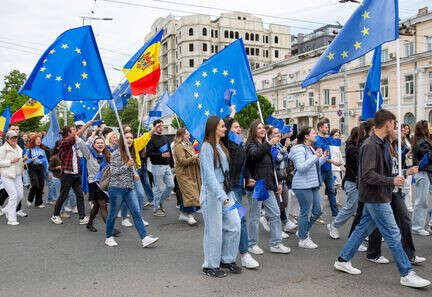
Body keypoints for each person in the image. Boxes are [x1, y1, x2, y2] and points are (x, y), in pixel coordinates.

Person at [333, 109, 430, 289]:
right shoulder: (370, 145)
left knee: (362, 230)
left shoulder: (383, 144)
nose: (396, 127)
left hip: (379, 194)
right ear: (388, 124)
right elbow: (368, 175)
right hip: (375, 196)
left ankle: (343, 259)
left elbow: (384, 172)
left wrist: (404, 173)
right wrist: (391, 180)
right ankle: (406, 273)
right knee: (393, 234)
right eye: (394, 123)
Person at [366, 126, 426, 265]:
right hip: (382, 192)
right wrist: (404, 173)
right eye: (396, 129)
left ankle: (410, 254)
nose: (400, 132)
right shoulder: (381, 147)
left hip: (394, 192)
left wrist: (406, 171)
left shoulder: (395, 147)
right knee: (374, 222)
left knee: (405, 220)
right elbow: (381, 173)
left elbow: (395, 171)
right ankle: (373, 253)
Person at [200, 116, 241, 277]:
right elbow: (209, 176)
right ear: (213, 128)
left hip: (227, 193)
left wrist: (229, 195)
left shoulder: (221, 146)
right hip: (213, 196)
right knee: (214, 230)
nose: (225, 128)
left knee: (236, 223)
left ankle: (227, 259)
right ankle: (210, 265)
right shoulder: (206, 147)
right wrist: (221, 195)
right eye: (223, 126)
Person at [104, 131, 159, 248]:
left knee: (136, 213)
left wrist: (133, 174)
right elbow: (113, 172)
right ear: (121, 141)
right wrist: (127, 166)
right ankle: (109, 237)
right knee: (113, 214)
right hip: (116, 188)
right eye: (127, 138)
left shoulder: (131, 153)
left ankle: (144, 238)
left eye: (131, 138)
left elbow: (128, 169)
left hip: (129, 188)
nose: (129, 139)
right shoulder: (116, 154)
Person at [246, 120, 291, 255]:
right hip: (258, 185)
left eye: (262, 127)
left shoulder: (265, 144)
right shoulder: (251, 144)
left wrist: (276, 182)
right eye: (258, 128)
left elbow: (271, 165)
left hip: (269, 184)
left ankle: (276, 243)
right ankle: (251, 244)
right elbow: (255, 156)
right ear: (253, 130)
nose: (262, 130)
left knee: (275, 213)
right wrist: (268, 144)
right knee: (254, 216)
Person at [222, 105, 259, 269]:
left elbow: (243, 165)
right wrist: (231, 115)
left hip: (238, 187)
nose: (239, 129)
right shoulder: (227, 143)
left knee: (236, 220)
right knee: (240, 219)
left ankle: (233, 254)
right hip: (228, 189)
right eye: (235, 127)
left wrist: (248, 178)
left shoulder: (239, 144)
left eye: (239, 127)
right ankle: (244, 254)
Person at [75, 122, 119, 235]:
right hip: (94, 183)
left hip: (104, 183)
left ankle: (89, 224)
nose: (100, 144)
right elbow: (79, 140)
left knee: (96, 205)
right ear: (93, 145)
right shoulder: (88, 154)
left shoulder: (107, 155)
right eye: (97, 143)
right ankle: (110, 228)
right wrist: (87, 126)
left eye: (102, 143)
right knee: (103, 205)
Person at [288, 126, 327, 249]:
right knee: (305, 212)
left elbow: (313, 166)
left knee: (318, 211)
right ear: (306, 136)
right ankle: (303, 239)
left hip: (313, 184)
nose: (315, 134)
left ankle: (302, 231)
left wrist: (323, 158)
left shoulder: (310, 147)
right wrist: (315, 156)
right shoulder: (299, 149)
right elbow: (301, 167)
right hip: (303, 185)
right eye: (313, 133)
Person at [50, 126, 88, 225]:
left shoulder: (73, 143)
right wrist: (86, 126)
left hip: (75, 174)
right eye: (73, 130)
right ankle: (55, 215)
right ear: (68, 133)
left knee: (80, 196)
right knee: (63, 195)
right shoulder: (64, 142)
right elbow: (75, 137)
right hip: (67, 174)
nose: (75, 131)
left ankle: (82, 217)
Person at [327, 127, 360, 240]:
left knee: (365, 210)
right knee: (351, 208)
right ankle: (334, 225)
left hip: (359, 181)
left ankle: (365, 234)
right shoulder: (352, 148)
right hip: (352, 181)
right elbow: (356, 166)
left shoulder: (358, 147)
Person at [268, 126, 293, 238]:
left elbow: (286, 158)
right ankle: (277, 227)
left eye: (279, 133)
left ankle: (268, 219)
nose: (278, 135)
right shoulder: (270, 146)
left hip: (283, 177)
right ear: (270, 136)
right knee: (277, 204)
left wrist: (286, 147)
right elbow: (277, 159)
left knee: (285, 202)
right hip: (276, 178)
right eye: (275, 133)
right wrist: (285, 147)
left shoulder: (278, 145)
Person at [146, 120, 174, 216]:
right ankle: (156, 208)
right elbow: (148, 153)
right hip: (157, 166)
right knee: (158, 188)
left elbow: (169, 152)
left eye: (162, 126)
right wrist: (161, 155)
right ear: (154, 127)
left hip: (167, 166)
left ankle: (159, 202)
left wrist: (172, 164)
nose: (161, 128)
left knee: (171, 185)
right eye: (158, 126)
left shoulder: (165, 138)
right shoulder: (151, 138)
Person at [173, 128, 200, 225]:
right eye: (187, 134)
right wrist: (194, 157)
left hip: (192, 173)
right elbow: (182, 161)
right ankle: (190, 215)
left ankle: (182, 213)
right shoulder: (178, 147)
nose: (189, 136)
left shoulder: (189, 144)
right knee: (190, 194)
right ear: (182, 136)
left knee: (189, 193)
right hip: (183, 174)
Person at [411, 120, 432, 236]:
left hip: (426, 173)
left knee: (422, 200)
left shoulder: (424, 141)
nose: (431, 127)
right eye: (429, 126)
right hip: (423, 173)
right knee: (421, 201)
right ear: (424, 128)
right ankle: (417, 227)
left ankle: (421, 225)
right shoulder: (422, 142)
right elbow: (427, 157)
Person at [315, 120, 339, 218]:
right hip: (320, 169)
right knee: (317, 192)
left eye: (327, 127)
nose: (327, 129)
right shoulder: (317, 139)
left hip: (328, 169)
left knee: (331, 191)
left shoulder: (327, 138)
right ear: (320, 128)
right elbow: (321, 156)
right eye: (325, 127)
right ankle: (316, 213)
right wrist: (333, 162)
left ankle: (335, 213)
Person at [0, 130, 25, 225]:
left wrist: (23, 160)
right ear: (7, 139)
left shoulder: (18, 147)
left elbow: (19, 160)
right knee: (14, 195)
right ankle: (11, 219)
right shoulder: (3, 149)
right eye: (12, 138)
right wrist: (11, 161)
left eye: (15, 137)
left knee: (20, 195)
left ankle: (6, 209)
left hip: (18, 174)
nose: (14, 139)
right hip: (7, 175)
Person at [25, 134, 49, 208]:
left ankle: (39, 203)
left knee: (41, 185)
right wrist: (30, 160)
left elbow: (45, 161)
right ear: (33, 141)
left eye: (40, 139)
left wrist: (47, 170)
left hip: (40, 168)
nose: (39, 141)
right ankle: (30, 198)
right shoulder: (29, 150)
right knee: (35, 185)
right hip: (32, 168)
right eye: (37, 139)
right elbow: (25, 161)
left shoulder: (42, 150)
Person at [401, 123, 413, 212]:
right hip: (404, 164)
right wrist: (408, 154)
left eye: (408, 129)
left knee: (408, 186)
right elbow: (402, 153)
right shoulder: (400, 139)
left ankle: (408, 204)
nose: (406, 130)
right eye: (405, 128)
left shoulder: (408, 139)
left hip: (409, 163)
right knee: (405, 186)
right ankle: (405, 206)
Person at [329, 129, 344, 193]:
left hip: (338, 167)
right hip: (333, 168)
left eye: (338, 135)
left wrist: (343, 165)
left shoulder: (337, 145)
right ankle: (333, 199)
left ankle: (334, 198)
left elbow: (340, 156)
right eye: (335, 135)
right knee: (336, 184)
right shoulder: (330, 145)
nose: (337, 136)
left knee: (337, 185)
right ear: (332, 136)